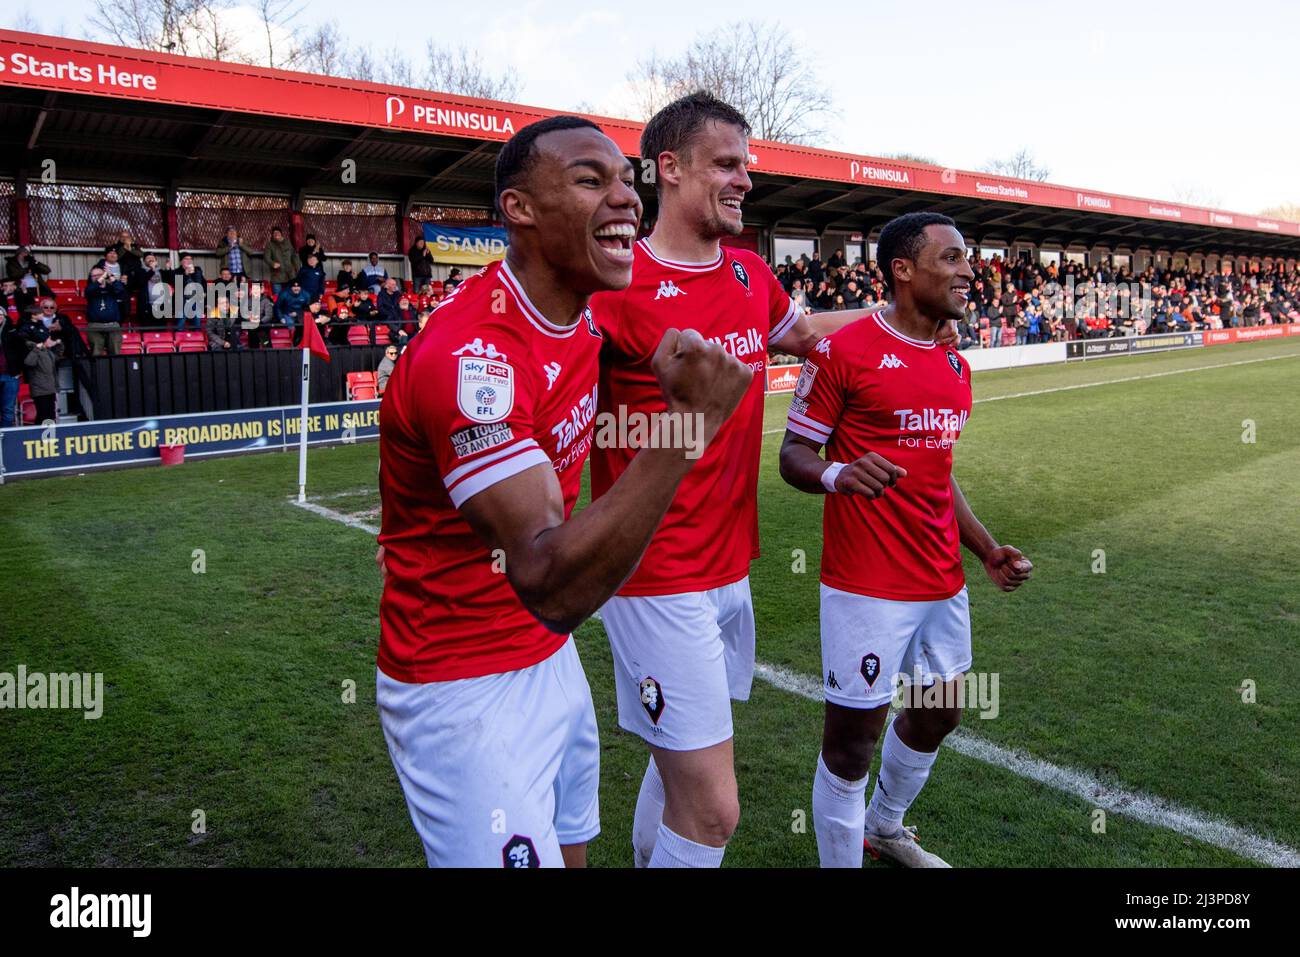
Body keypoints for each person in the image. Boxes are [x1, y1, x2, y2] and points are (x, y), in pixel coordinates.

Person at [587, 92, 960, 869]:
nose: (745, 180)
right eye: (726, 164)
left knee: (674, 767)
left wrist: (907, 320)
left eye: (746, 166)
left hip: (730, 566)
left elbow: (808, 335)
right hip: (653, 573)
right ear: (668, 168)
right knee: (716, 809)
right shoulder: (614, 285)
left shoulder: (752, 275)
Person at [374, 115, 750, 868]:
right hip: (457, 685)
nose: (626, 200)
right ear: (519, 209)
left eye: (625, 181)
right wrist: (689, 427)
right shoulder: (473, 357)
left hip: (548, 659)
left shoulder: (579, 321)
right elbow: (546, 576)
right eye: (590, 180)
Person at [778, 212, 1032, 869]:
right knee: (851, 743)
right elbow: (794, 455)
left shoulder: (954, 363)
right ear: (903, 270)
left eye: (968, 259)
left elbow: (938, 474)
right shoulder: (844, 351)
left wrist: (986, 548)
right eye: (950, 259)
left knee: (941, 712)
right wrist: (839, 472)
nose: (968, 271)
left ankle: (884, 826)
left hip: (942, 578)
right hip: (866, 582)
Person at [23, 309, 63, 423]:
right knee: (43, 414)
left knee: (50, 415)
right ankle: (39, 437)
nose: (51, 340)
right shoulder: (36, 351)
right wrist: (36, 349)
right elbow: (28, 362)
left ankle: (49, 437)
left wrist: (60, 345)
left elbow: (56, 358)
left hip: (50, 388)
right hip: (40, 390)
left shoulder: (48, 352)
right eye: (49, 338)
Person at [84, 267, 126, 356]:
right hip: (95, 326)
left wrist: (111, 276)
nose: (96, 277)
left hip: (112, 325)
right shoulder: (90, 289)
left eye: (99, 275)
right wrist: (101, 278)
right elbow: (89, 290)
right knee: (96, 353)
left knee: (115, 353)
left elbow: (120, 290)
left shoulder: (111, 289)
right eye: (94, 276)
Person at [263, 227, 300, 295]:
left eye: (278, 232)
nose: (276, 234)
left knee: (289, 297)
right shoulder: (270, 245)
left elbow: (294, 256)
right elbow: (266, 257)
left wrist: (298, 268)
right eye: (274, 233)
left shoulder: (288, 243)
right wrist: (272, 263)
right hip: (277, 276)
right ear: (272, 235)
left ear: (281, 234)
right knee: (277, 298)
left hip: (290, 275)